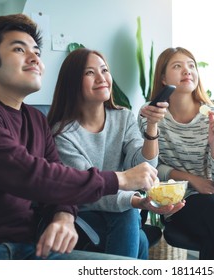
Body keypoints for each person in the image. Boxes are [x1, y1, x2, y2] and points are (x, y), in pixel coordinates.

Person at [0, 14, 158, 260]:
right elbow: (27, 173)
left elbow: (58, 187)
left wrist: (63, 216)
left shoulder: (35, 119)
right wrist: (120, 179)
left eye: (36, 52)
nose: (35, 59)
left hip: (34, 249)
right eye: (19, 49)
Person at [47, 48, 184, 259]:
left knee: (137, 233)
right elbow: (85, 191)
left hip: (120, 209)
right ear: (72, 82)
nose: (101, 78)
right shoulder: (63, 135)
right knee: (134, 227)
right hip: (82, 215)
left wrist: (152, 126)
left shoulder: (124, 118)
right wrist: (138, 202)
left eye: (104, 70)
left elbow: (142, 166)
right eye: (89, 73)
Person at [138, 47, 214, 260]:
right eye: (178, 66)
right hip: (184, 201)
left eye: (191, 66)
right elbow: (150, 168)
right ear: (163, 78)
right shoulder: (151, 115)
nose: (188, 71)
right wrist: (192, 180)